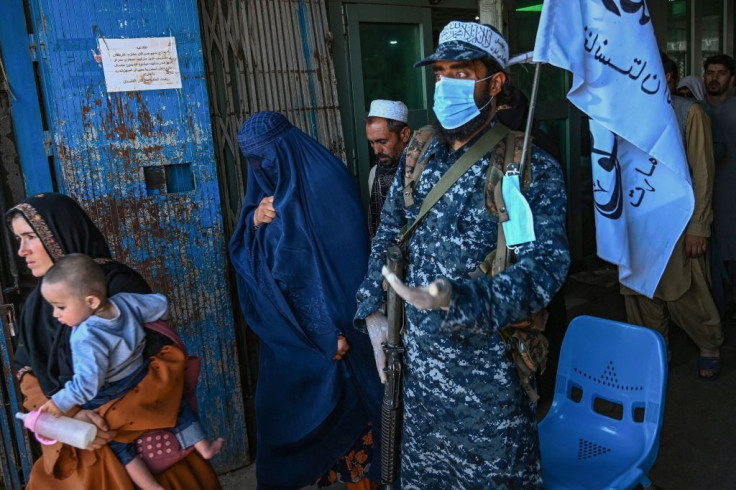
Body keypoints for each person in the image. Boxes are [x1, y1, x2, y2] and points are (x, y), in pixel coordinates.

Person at [355, 21, 570, 488]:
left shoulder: (525, 167)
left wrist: (464, 300)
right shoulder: (418, 152)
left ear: (494, 84)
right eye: (440, 74)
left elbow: (546, 268)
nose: (445, 84)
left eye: (460, 72)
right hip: (416, 375)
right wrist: (372, 306)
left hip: (488, 387)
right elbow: (389, 233)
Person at [8, 192, 220, 490]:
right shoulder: (37, 306)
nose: (22, 251)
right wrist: (71, 416)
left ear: (58, 235)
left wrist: (105, 419)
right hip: (75, 443)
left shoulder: (117, 287)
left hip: (137, 436)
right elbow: (28, 372)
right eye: (18, 239)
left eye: (29, 237)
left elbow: (167, 364)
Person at [229, 112, 383, 489]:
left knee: (355, 438)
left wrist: (327, 334)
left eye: (265, 157)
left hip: (339, 339)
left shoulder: (325, 182)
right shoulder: (265, 196)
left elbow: (339, 273)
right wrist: (253, 222)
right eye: (252, 160)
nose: (260, 168)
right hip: (294, 339)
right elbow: (251, 263)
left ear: (285, 148)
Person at [38, 254, 224, 490]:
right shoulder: (124, 302)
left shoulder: (86, 335)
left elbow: (87, 384)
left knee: (119, 443)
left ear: (92, 301)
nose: (55, 315)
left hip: (111, 389)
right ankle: (204, 446)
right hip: (141, 373)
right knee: (175, 406)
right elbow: (160, 305)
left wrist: (59, 403)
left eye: (60, 307)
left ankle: (149, 486)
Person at [623, 52, 723, 379]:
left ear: (667, 78)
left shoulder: (690, 113)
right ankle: (656, 350)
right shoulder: (626, 115)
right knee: (641, 291)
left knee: (687, 290)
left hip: (679, 223)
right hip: (638, 223)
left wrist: (699, 226)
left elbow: (704, 173)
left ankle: (709, 344)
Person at [703, 54, 736, 322]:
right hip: (705, 200)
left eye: (721, 73)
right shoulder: (696, 110)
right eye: (710, 72)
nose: (714, 78)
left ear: (732, 79)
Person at [365, 99, 411, 236]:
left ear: (404, 134)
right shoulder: (375, 174)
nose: (376, 150)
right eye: (372, 143)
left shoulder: (423, 169)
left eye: (382, 142)